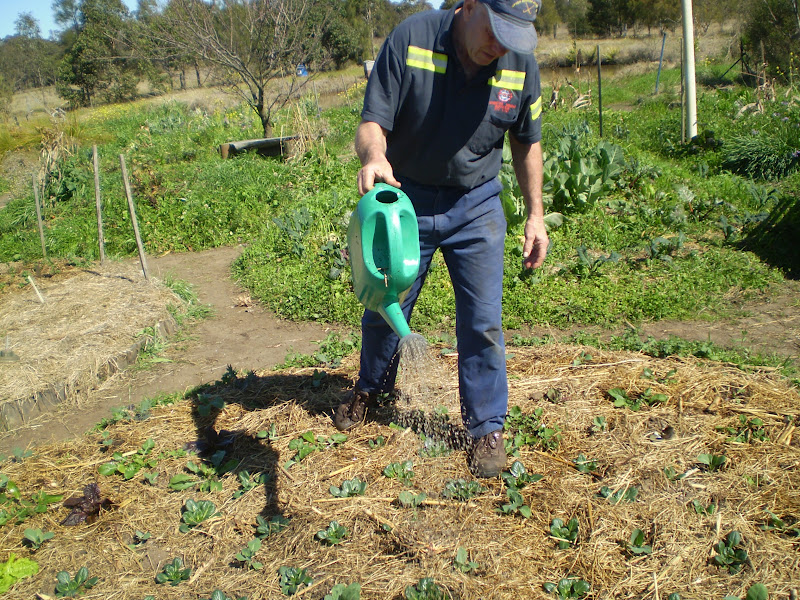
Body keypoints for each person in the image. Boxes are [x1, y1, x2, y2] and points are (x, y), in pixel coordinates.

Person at [334, 0, 550, 478]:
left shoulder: (517, 62)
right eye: (496, 29)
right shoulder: (411, 40)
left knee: (482, 322)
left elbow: (526, 142)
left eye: (514, 36)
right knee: (386, 303)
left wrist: (535, 215)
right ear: (469, 5)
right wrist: (374, 157)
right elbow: (373, 121)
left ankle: (486, 427)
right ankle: (371, 387)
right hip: (406, 199)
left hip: (477, 205)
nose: (501, 45)